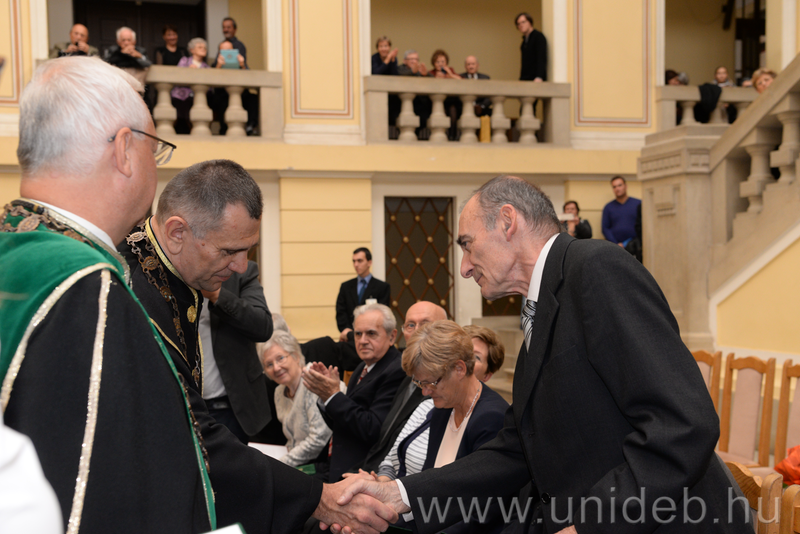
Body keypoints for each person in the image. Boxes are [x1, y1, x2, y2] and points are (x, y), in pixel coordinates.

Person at [334, 175, 751, 534]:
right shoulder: (543, 302)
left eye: (468, 245)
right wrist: (401, 493)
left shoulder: (597, 269)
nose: (464, 267)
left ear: (508, 221)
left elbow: (682, 425)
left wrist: (590, 526)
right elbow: (517, 449)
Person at [118, 159, 398, 534]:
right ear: (177, 232)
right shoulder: (132, 292)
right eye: (229, 251)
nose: (240, 266)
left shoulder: (172, 273)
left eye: (249, 249)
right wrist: (320, 499)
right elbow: (192, 435)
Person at [0, 56, 216, 532]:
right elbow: (109, 494)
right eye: (154, 150)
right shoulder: (85, 289)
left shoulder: (13, 248)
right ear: (124, 150)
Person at [373, 321, 508, 483]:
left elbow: (475, 492)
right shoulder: (444, 407)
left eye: (431, 383)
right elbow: (430, 479)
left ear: (459, 369)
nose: (425, 392)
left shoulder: (491, 418)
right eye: (420, 383)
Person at [303, 303, 406, 482]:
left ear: (392, 337)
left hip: (364, 472)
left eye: (371, 333)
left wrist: (333, 396)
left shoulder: (396, 369)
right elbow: (342, 423)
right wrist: (325, 397)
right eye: (358, 334)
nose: (362, 340)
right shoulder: (361, 367)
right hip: (337, 465)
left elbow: (374, 429)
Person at [359, 301, 447, 473]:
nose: (417, 331)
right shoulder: (408, 376)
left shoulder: (444, 385)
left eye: (425, 324)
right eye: (410, 325)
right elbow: (387, 439)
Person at [199, 260, 274, 444]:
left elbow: (263, 327)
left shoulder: (241, 272)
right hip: (187, 406)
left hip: (236, 409)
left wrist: (217, 296)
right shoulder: (169, 275)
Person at [261, 330, 344, 466]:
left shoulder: (313, 380)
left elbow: (318, 439)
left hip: (327, 461)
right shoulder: (279, 392)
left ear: (296, 356)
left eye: (280, 358)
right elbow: (292, 441)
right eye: (269, 364)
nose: (276, 368)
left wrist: (280, 464)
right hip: (301, 462)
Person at [335, 247, 391, 343]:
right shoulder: (346, 286)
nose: (356, 265)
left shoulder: (382, 287)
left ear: (369, 262)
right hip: (350, 337)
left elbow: (383, 314)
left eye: (360, 261)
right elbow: (340, 311)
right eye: (354, 261)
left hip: (372, 336)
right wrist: (348, 332)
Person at [172, 37, 210, 134]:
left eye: (204, 48)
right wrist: (188, 70)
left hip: (197, 97)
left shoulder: (206, 67)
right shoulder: (185, 61)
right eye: (200, 47)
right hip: (181, 96)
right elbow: (177, 76)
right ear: (192, 50)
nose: (203, 49)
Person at [397, 50, 432, 139]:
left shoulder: (420, 70)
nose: (414, 61)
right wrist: (412, 72)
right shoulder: (400, 69)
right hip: (402, 104)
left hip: (419, 103)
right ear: (404, 61)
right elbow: (399, 76)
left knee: (425, 117)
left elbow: (433, 80)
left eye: (416, 59)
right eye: (411, 59)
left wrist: (425, 75)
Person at [601, 176, 641, 249]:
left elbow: (643, 225)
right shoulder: (608, 207)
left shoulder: (638, 204)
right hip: (615, 248)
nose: (617, 189)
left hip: (636, 246)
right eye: (614, 187)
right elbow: (605, 228)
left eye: (620, 185)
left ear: (625, 186)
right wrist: (616, 244)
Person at [516, 12, 547, 82]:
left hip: (536, 79)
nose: (521, 25)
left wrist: (539, 76)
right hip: (525, 79)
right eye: (518, 24)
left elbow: (541, 57)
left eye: (523, 22)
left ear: (530, 22)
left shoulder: (538, 37)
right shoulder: (524, 42)